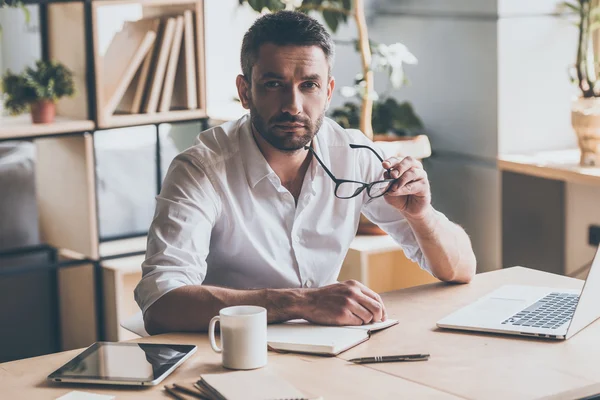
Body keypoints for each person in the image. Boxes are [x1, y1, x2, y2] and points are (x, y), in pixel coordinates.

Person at [135, 11, 476, 334]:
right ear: (245, 92)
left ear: (327, 92)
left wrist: (422, 216)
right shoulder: (201, 169)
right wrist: (297, 302)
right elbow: (160, 303)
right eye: (273, 84)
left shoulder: (354, 154)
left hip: (323, 348)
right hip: (226, 352)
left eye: (308, 85)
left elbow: (461, 269)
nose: (293, 106)